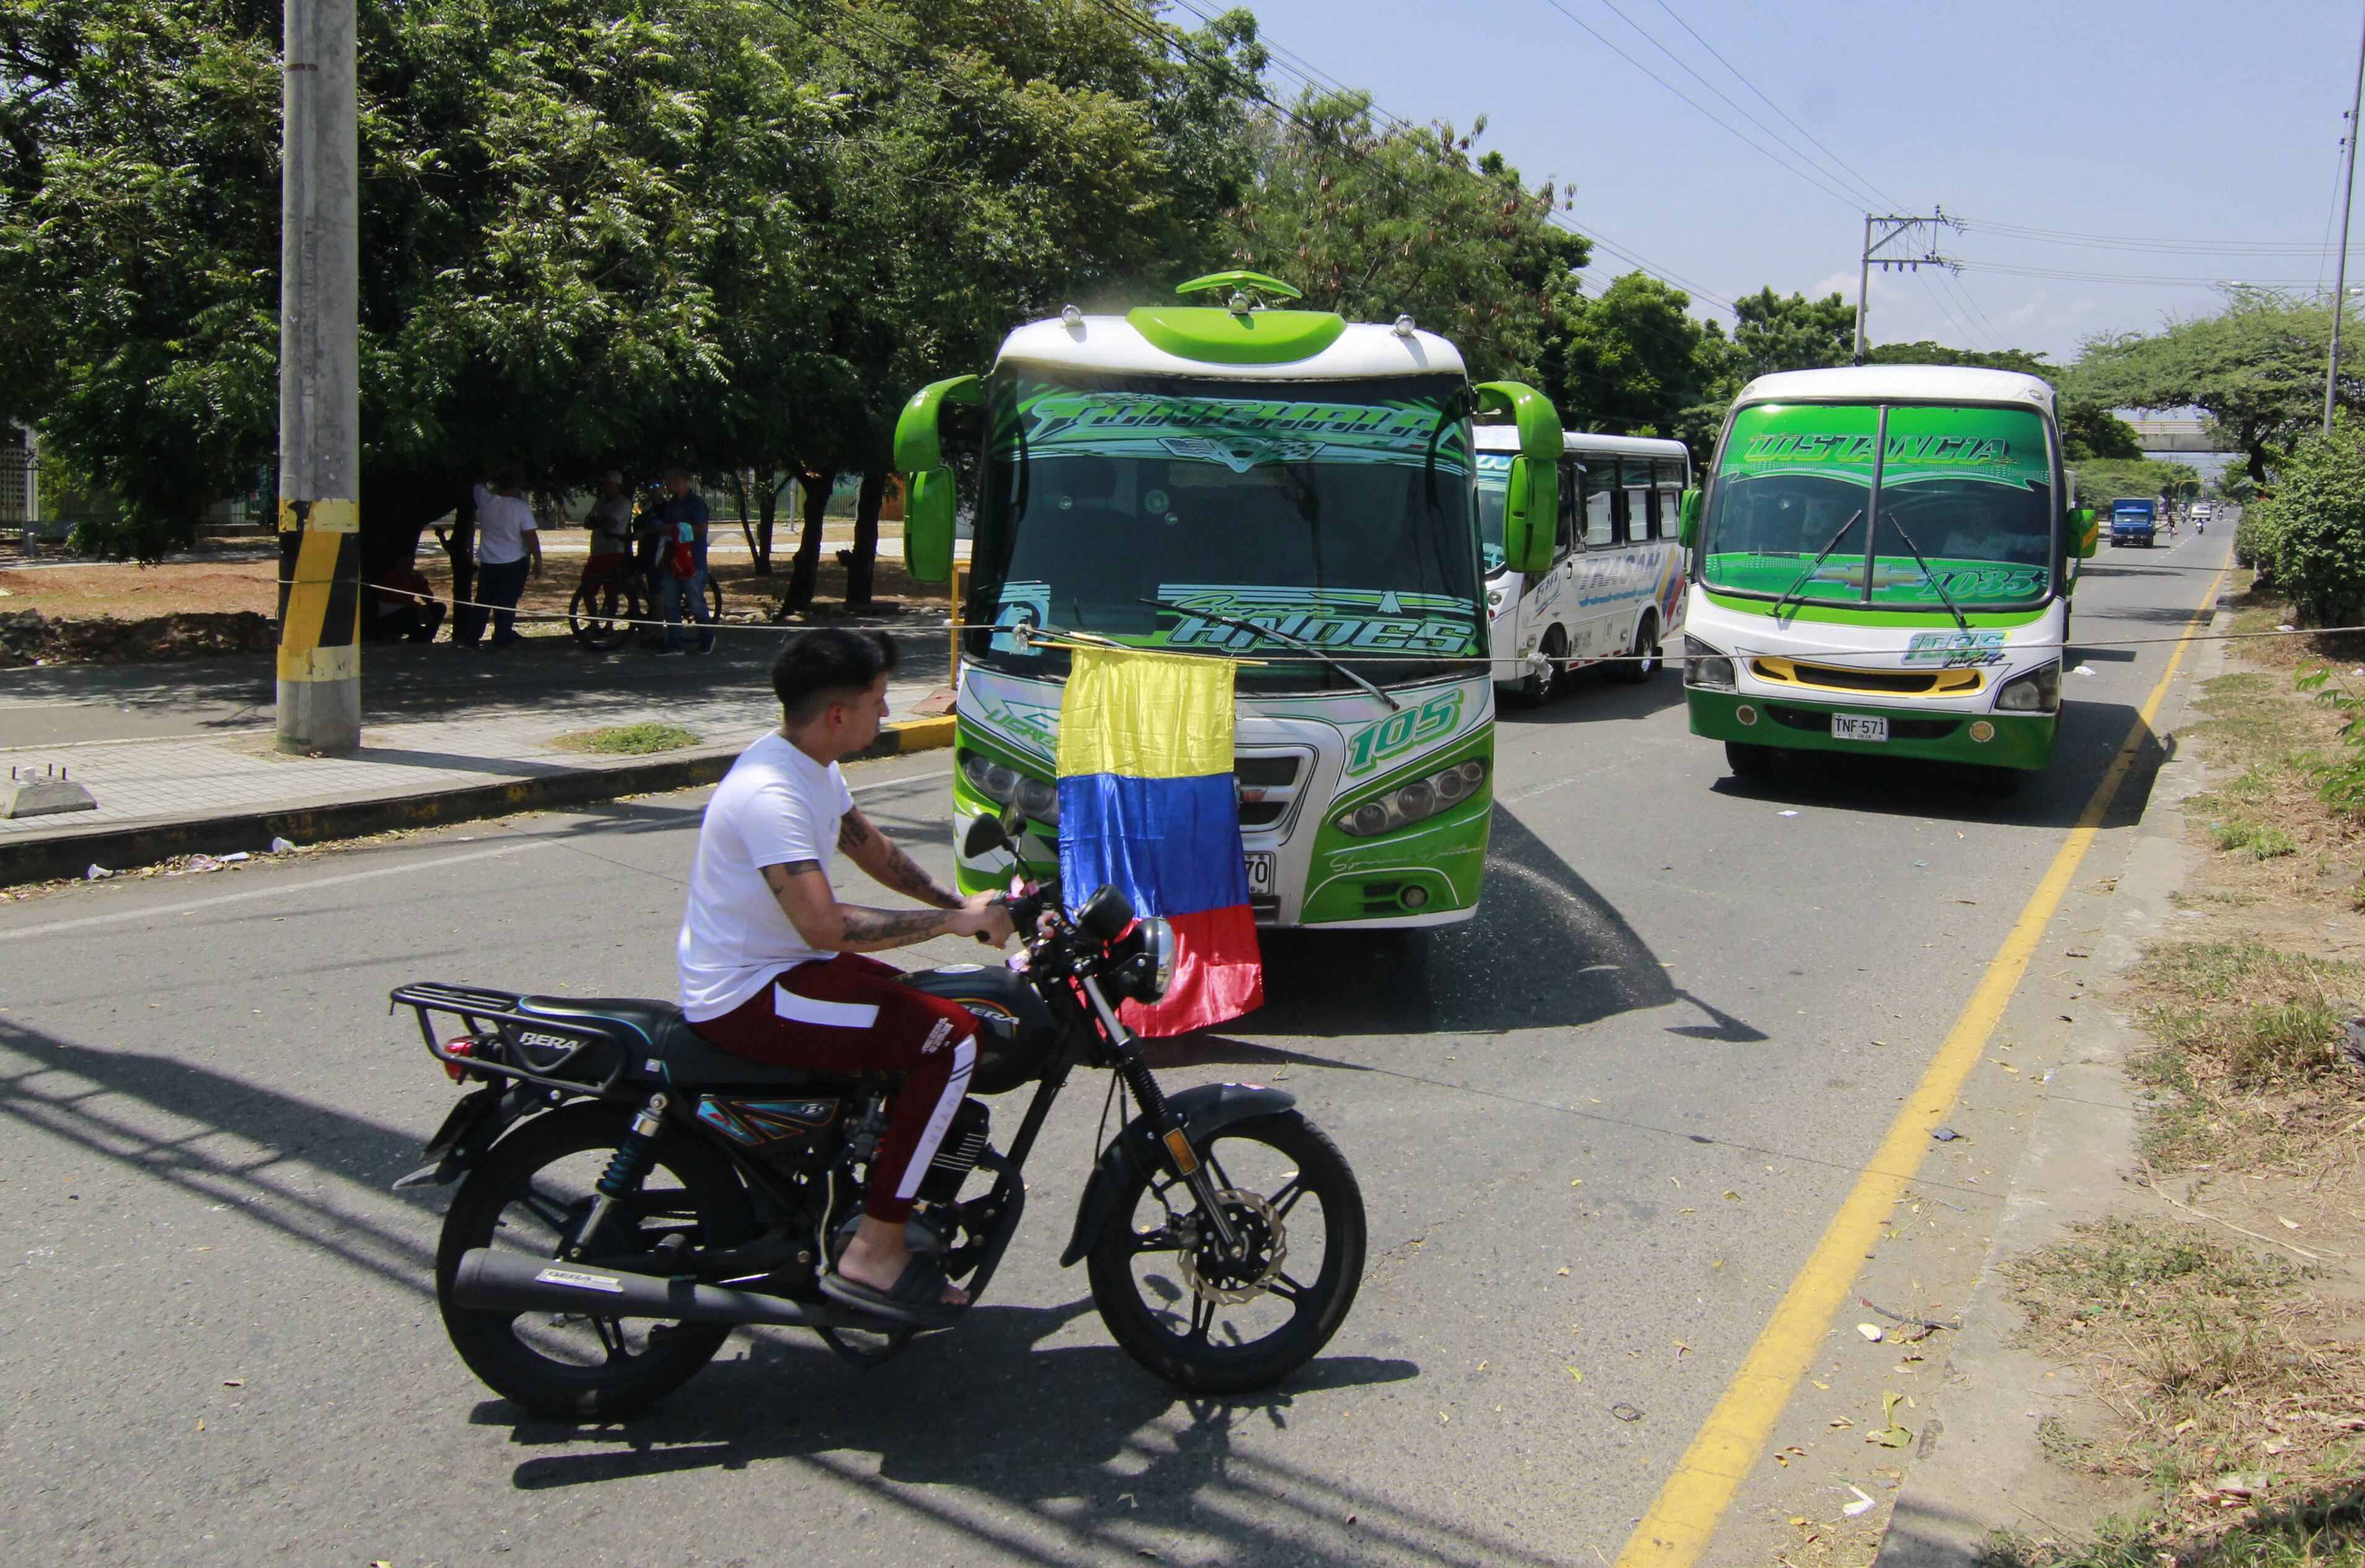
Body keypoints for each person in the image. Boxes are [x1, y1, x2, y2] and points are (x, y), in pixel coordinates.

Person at [677, 629, 1013, 1325]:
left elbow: (870, 848)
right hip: (749, 994)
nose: (886, 715)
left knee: (928, 1000)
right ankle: (876, 1247)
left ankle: (864, 1178)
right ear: (839, 714)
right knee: (949, 1041)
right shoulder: (770, 791)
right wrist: (949, 926)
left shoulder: (811, 766)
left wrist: (959, 906)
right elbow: (823, 925)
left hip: (787, 969)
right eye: (879, 702)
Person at [455, 465, 541, 648]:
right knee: (507, 601)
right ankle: (502, 637)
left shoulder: (486, 500)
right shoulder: (520, 507)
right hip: (514, 561)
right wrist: (538, 560)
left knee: (483, 600)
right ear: (516, 486)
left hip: (489, 561)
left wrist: (493, 474)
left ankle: (473, 637)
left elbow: (478, 483)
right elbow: (530, 536)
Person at [654, 466, 716, 655]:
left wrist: (675, 528)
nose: (667, 485)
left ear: (680, 481)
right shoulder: (671, 505)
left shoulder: (695, 504)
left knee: (695, 602)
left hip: (692, 561)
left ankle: (707, 637)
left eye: (670, 481)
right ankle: (675, 642)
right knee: (670, 602)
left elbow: (701, 529)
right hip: (672, 560)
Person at [363, 561, 445, 644]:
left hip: (408, 611)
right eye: (405, 563)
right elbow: (403, 599)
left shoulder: (413, 577)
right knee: (412, 613)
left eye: (411, 564)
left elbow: (429, 600)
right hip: (389, 616)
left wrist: (422, 582)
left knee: (439, 608)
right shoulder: (391, 577)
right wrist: (422, 609)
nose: (409, 567)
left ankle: (425, 638)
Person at [585, 470, 634, 562]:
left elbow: (610, 524)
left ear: (617, 485)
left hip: (613, 551)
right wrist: (600, 522)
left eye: (608, 485)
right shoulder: (600, 501)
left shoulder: (623, 503)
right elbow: (587, 523)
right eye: (603, 485)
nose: (604, 488)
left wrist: (596, 522)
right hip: (597, 551)